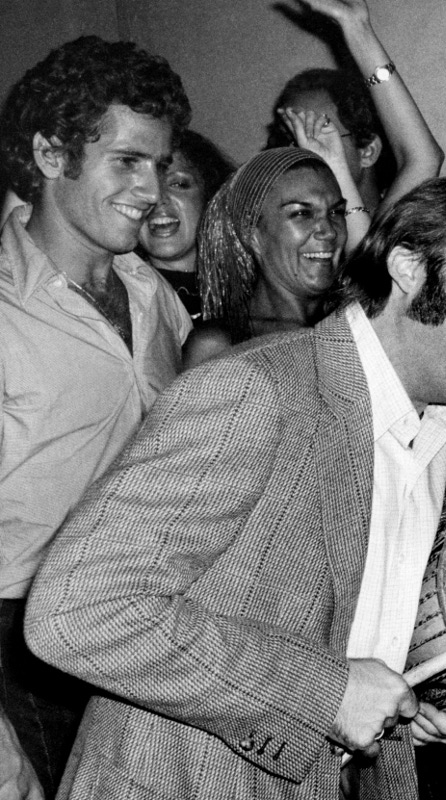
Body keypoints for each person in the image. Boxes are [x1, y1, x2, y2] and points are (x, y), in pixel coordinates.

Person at [24, 177, 446, 800]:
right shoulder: (258, 394)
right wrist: (327, 694)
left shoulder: (435, 437)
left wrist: (408, 701)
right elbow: (77, 611)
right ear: (409, 266)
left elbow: (345, 625)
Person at [0, 35, 192, 797]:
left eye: (160, 165)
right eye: (127, 162)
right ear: (52, 155)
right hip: (19, 644)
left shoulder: (154, 295)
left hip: (141, 622)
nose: (153, 190)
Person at [266, 0, 443, 222]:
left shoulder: (388, 241)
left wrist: (357, 28)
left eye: (314, 133)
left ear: (367, 152)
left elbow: (423, 159)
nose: (296, 152)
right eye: (287, 138)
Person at [185, 147, 347, 368]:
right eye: (302, 214)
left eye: (336, 212)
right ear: (252, 233)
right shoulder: (220, 346)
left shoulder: (354, 322)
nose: (328, 231)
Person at [138, 129, 235, 317]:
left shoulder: (254, 287)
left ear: (210, 197)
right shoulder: (122, 295)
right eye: (144, 186)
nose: (158, 198)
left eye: (178, 184)